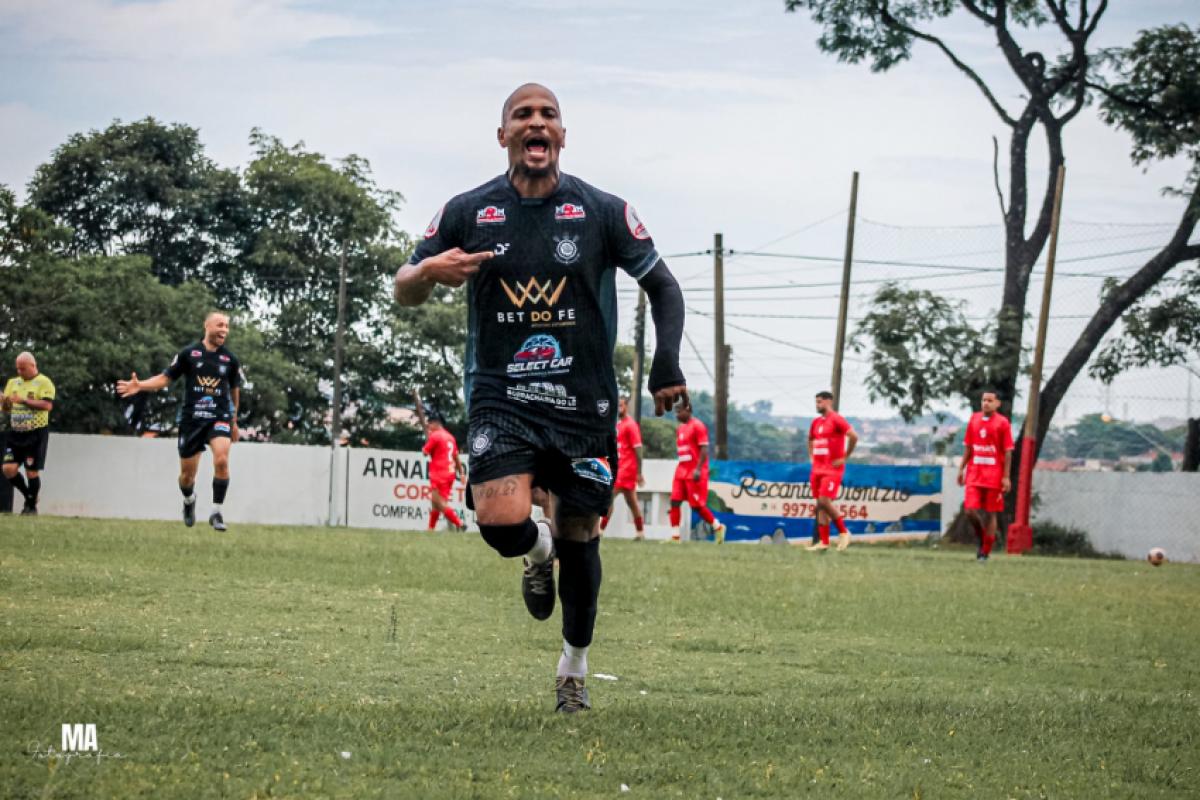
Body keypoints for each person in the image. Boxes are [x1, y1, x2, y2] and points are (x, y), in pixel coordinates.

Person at [393, 83, 687, 713]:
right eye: (522, 115)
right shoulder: (469, 211)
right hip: (502, 397)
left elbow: (664, 286)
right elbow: (403, 287)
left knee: (582, 536)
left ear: (562, 134)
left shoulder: (603, 211)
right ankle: (536, 551)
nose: (536, 123)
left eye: (548, 115)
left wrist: (665, 363)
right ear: (503, 136)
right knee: (500, 523)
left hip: (584, 407)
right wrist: (425, 273)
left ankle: (573, 669)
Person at [117, 312, 242, 532]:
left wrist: (233, 421)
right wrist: (140, 386)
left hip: (218, 417)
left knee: (221, 460)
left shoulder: (230, 360)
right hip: (192, 420)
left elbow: (234, 391)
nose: (224, 330)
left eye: (227, 326)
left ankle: (216, 512)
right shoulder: (189, 354)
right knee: (187, 476)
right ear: (207, 326)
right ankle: (188, 500)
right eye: (220, 325)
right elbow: (165, 378)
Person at [957, 388, 1014, 562]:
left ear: (997, 403)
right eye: (984, 400)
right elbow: (969, 447)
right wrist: (961, 468)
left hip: (994, 476)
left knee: (990, 513)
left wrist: (1006, 476)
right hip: (974, 474)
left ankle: (985, 550)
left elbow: (1008, 452)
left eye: (990, 400)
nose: (986, 403)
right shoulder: (974, 419)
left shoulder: (1002, 423)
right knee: (969, 511)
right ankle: (983, 537)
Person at [2, 352, 55, 515]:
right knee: (8, 469)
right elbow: (7, 409)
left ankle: (30, 507)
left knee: (31, 471)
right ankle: (29, 496)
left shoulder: (44, 382)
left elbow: (47, 406)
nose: (19, 372)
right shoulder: (13, 382)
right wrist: (4, 402)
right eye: (17, 369)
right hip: (16, 432)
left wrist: (24, 400)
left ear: (33, 366)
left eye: (23, 369)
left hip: (35, 433)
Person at [669, 400, 727, 543]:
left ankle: (718, 527)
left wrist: (698, 469)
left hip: (694, 472)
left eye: (679, 411)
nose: (677, 415)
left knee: (697, 506)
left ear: (687, 410)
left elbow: (704, 449)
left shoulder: (698, 426)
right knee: (674, 501)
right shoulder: (681, 428)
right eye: (675, 411)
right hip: (681, 471)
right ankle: (675, 537)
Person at [807, 390, 858, 552]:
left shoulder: (836, 419)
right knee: (820, 505)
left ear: (829, 402)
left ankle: (843, 532)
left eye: (820, 401)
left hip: (832, 469)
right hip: (817, 469)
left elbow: (853, 436)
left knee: (824, 501)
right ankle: (824, 542)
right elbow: (810, 439)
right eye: (816, 402)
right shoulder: (816, 422)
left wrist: (845, 456)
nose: (817, 405)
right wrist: (811, 457)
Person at [600, 396, 644, 539]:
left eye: (622, 405)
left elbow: (638, 450)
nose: (619, 408)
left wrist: (639, 472)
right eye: (617, 406)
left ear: (627, 407)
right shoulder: (617, 424)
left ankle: (600, 530)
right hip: (619, 468)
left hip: (626, 469)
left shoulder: (631, 425)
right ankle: (640, 532)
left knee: (609, 497)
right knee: (632, 502)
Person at [422, 412, 467, 531]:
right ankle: (430, 529)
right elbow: (456, 456)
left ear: (436, 423)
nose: (428, 427)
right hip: (450, 474)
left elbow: (425, 452)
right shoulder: (450, 437)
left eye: (429, 424)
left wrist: (426, 445)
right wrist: (461, 473)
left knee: (438, 502)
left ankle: (460, 523)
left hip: (439, 473)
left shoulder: (435, 436)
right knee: (435, 504)